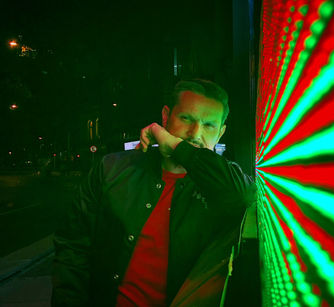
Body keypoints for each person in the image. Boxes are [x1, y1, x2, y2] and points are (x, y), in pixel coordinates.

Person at [52, 79, 256, 306]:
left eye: (209, 125)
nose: (195, 133)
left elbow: (244, 195)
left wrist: (178, 147)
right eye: (186, 118)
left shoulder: (223, 183)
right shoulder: (112, 169)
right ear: (166, 116)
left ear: (221, 133)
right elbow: (73, 248)